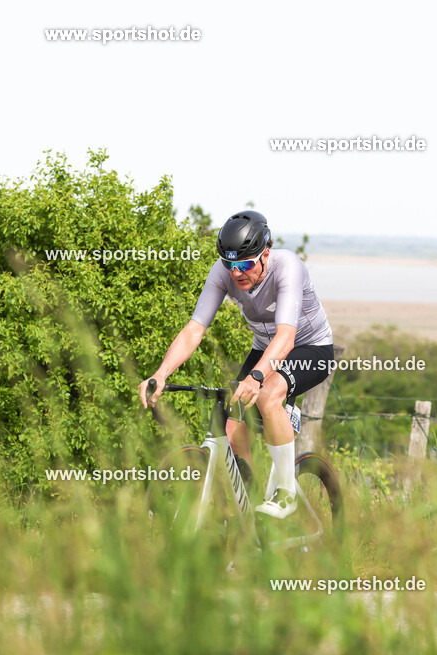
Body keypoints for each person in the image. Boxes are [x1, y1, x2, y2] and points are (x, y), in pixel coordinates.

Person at [139, 210, 334, 519]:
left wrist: (257, 377)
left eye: (245, 264)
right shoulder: (223, 271)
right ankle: (252, 512)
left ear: (265, 253)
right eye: (230, 265)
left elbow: (285, 337)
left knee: (269, 395)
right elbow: (195, 329)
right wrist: (161, 373)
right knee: (231, 427)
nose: (236, 273)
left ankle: (285, 493)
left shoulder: (288, 268)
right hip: (264, 349)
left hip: (309, 348)